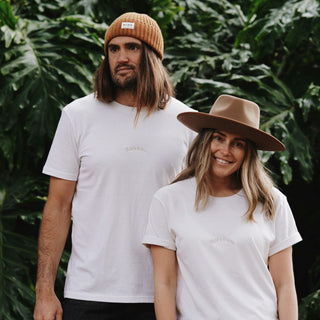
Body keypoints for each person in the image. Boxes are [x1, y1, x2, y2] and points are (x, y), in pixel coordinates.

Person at [33, 12, 195, 320]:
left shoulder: (185, 121)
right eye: (113, 48)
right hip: (88, 292)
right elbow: (57, 205)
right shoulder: (77, 115)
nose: (121, 57)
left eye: (132, 47)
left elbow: (198, 210)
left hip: (164, 295)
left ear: (152, 56)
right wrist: (44, 291)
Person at [143, 94, 302, 320]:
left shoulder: (272, 202)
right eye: (219, 138)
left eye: (238, 144)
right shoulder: (168, 200)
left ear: (249, 153)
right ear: (206, 140)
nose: (225, 150)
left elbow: (285, 285)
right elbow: (164, 284)